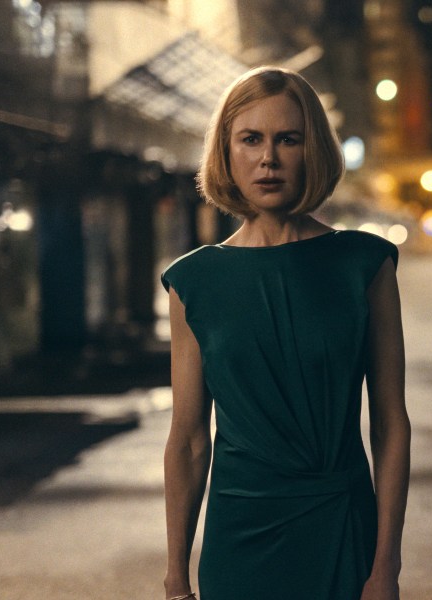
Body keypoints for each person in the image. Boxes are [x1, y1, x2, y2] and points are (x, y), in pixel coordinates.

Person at [161, 66, 410, 600]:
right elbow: (186, 439)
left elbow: (390, 425)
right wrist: (176, 576)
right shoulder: (194, 282)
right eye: (250, 139)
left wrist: (385, 567)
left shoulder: (363, 264)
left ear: (312, 149)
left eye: (287, 139)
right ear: (227, 153)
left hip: (343, 531)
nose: (268, 158)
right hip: (238, 541)